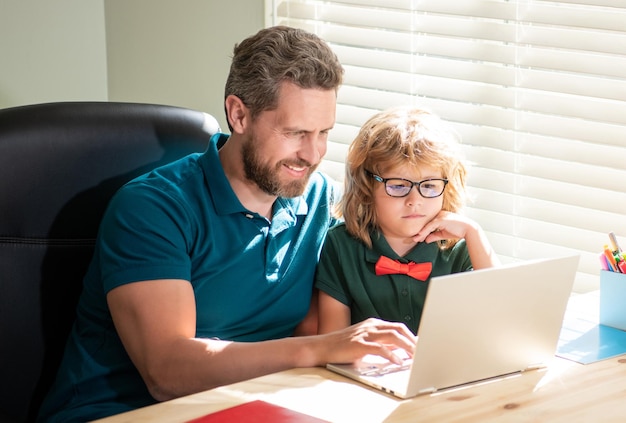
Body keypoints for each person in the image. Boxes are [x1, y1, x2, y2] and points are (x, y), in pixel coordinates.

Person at [37, 26, 416, 422]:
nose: (313, 153)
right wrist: (321, 348)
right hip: (124, 413)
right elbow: (167, 372)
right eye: (295, 133)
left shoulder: (319, 198)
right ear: (238, 114)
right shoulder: (152, 208)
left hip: (251, 406)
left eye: (324, 133)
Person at [316, 106, 500, 336]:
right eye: (398, 186)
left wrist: (474, 232)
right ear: (366, 188)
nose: (415, 200)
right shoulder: (340, 246)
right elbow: (332, 341)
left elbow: (500, 319)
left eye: (430, 185)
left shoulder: (461, 248)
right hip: (368, 370)